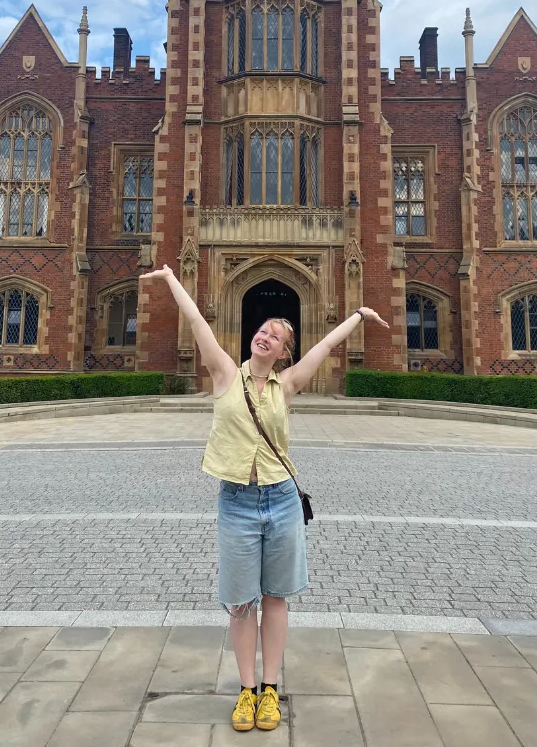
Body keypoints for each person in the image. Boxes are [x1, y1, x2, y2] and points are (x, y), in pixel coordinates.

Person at [140, 264, 389, 732]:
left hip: (280, 499)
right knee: (240, 603)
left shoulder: (288, 385)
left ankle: (270, 691)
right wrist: (172, 279)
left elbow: (325, 347)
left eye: (274, 335)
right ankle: (246, 691)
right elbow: (197, 321)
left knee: (275, 599)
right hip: (235, 501)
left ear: (282, 351)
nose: (264, 336)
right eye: (261, 330)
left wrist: (357, 314)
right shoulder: (222, 376)